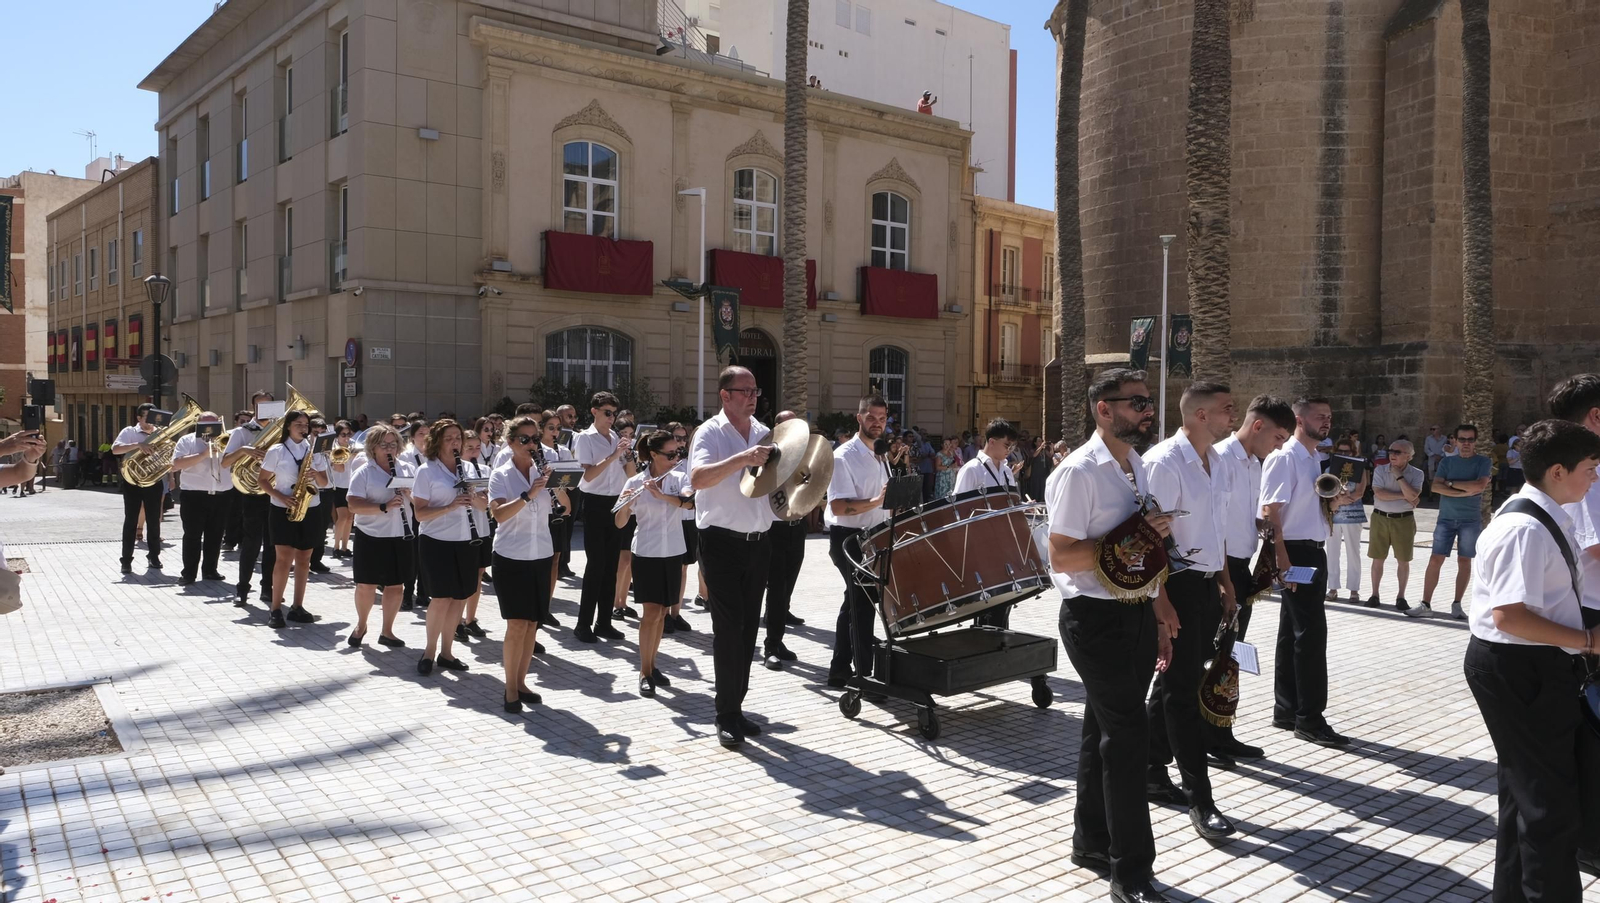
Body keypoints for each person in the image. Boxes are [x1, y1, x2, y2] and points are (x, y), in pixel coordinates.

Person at [1044, 368, 1179, 902]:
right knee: (1127, 738)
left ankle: (1091, 840)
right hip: (1094, 620)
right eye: (1137, 403)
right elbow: (1063, 553)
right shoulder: (1079, 472)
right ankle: (1131, 872)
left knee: (1100, 729)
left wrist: (1159, 606)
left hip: (1136, 611)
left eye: (1147, 403)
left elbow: (1143, 549)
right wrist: (1137, 536)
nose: (1147, 411)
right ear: (1104, 409)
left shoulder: (1136, 464)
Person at [1463, 419, 1600, 902]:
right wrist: (1586, 640)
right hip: (1519, 667)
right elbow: (1509, 617)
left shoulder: (1544, 514)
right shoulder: (1525, 527)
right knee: (1549, 804)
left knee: (1526, 795)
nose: (1595, 479)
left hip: (1529, 665)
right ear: (1558, 471)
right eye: (1590, 468)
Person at [1142, 381, 1240, 840]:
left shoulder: (1215, 461)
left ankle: (1148, 765)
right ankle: (1201, 799)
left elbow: (1215, 528)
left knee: (1177, 683)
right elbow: (1153, 537)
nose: (1232, 416)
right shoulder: (1165, 461)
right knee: (1182, 694)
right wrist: (1160, 599)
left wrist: (1225, 583)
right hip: (1174, 585)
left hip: (1204, 584)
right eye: (1226, 410)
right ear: (1200, 415)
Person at [1261, 395, 1358, 747]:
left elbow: (1308, 505)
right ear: (1300, 421)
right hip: (1297, 551)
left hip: (1312, 548)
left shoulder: (1316, 459)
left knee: (1293, 633)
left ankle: (1286, 710)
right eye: (1320, 416)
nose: (1327, 421)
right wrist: (1281, 557)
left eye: (1330, 416)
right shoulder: (1284, 457)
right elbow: (1270, 510)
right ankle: (1310, 719)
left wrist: (1336, 502)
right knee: (1311, 636)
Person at [688, 366, 776, 749]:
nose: (752, 396)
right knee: (728, 628)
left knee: (748, 630)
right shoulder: (709, 432)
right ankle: (725, 715)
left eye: (755, 390)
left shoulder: (762, 431)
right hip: (720, 541)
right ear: (725, 395)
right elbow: (698, 479)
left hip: (759, 541)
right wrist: (743, 458)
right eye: (745, 390)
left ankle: (737, 707)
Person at [1209, 394, 1294, 764]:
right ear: (1258, 425)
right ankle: (1198, 733)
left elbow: (1239, 516)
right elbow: (1214, 526)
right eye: (1278, 437)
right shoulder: (1220, 460)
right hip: (1219, 569)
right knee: (1210, 654)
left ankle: (1219, 729)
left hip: (1240, 566)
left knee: (1230, 653)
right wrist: (1225, 581)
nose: (1279, 447)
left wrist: (1260, 526)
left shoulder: (1255, 465)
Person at [1547, 373, 1600, 877]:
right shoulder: (1589, 473)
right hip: (1593, 615)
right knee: (1593, 732)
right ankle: (1592, 843)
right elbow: (1595, 546)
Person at [488, 414, 568, 712]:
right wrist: (529, 493)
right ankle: (509, 688)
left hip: (540, 554)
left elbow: (567, 509)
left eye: (535, 439)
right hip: (511, 555)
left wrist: (554, 484)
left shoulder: (542, 471)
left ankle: (521, 682)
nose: (532, 444)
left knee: (533, 624)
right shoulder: (501, 474)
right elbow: (498, 514)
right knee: (517, 625)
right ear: (511, 442)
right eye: (525, 439)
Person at [615, 429, 693, 696]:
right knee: (651, 613)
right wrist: (627, 504)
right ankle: (645, 671)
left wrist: (662, 496)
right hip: (646, 552)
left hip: (672, 551)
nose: (675, 458)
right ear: (653, 455)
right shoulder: (635, 481)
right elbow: (620, 522)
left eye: (678, 453)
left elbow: (689, 503)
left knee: (661, 613)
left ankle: (652, 663)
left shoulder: (680, 477)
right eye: (670, 454)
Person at [824, 395, 891, 689]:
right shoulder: (842, 456)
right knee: (862, 604)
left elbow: (884, 501)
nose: (877, 423)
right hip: (849, 540)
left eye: (882, 418)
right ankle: (864, 674)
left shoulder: (881, 453)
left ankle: (839, 669)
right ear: (859, 417)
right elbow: (839, 507)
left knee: (854, 603)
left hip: (876, 536)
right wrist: (878, 500)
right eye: (871, 417)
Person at [410, 420, 483, 675]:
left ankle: (447, 652)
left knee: (459, 598)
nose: (455, 442)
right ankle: (429, 652)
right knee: (441, 598)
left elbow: (485, 507)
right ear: (437, 442)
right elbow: (419, 514)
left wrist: (475, 497)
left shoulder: (470, 470)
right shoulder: (426, 471)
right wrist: (451, 506)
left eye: (458, 438)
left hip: (466, 540)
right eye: (449, 438)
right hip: (436, 541)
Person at [259, 411, 331, 628]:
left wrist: (315, 475)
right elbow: (262, 481)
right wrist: (281, 497)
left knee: (304, 558)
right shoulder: (277, 450)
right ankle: (275, 609)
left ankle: (297, 606)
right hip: (283, 509)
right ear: (288, 426)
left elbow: (325, 483)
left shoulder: (314, 450)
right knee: (283, 559)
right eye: (298, 424)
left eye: (306, 424)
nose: (303, 427)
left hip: (311, 508)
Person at [345, 424, 413, 649]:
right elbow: (353, 504)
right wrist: (382, 506)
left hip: (400, 533)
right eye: (384, 445)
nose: (389, 449)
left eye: (393, 444)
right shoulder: (364, 471)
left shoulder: (407, 468)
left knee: (396, 586)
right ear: (373, 448)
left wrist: (409, 494)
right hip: (371, 535)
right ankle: (361, 624)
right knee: (366, 585)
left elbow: (421, 501)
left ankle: (387, 631)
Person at [1419, 424, 1493, 620]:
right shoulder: (1446, 463)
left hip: (1470, 520)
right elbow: (1435, 486)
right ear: (1455, 441)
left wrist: (1450, 484)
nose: (1466, 443)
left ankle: (1457, 605)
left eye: (1470, 439)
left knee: (1464, 560)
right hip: (1446, 518)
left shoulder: (1483, 462)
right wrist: (1463, 491)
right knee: (1435, 559)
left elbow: (1479, 485)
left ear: (1475, 441)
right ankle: (1425, 604)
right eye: (1462, 439)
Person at [574, 392, 631, 643]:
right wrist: (613, 456)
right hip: (595, 503)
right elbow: (587, 477)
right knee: (595, 565)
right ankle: (582, 623)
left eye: (614, 413)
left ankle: (604, 622)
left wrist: (629, 456)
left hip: (616, 502)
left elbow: (629, 474)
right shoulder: (585, 438)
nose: (611, 418)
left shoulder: (616, 438)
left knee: (612, 566)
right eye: (607, 412)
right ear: (594, 411)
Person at [759, 411, 808, 671]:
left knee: (787, 587)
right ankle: (770, 647)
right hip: (774, 529)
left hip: (796, 527)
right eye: (785, 423)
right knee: (776, 588)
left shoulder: (801, 455)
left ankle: (777, 641)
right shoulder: (769, 455)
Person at [223, 392, 278, 604]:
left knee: (272, 544)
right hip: (250, 493)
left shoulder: (280, 431)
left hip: (274, 491)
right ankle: (243, 589)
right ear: (253, 407)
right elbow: (225, 462)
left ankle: (268, 589)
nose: (265, 409)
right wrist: (246, 450)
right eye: (260, 405)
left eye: (269, 405)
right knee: (251, 543)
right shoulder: (242, 432)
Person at [168, 410, 231, 585]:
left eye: (214, 425)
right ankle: (188, 573)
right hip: (194, 496)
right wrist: (203, 454)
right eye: (206, 425)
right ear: (198, 426)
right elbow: (175, 464)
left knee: (216, 535)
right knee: (192, 535)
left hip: (221, 495)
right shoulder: (187, 441)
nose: (210, 429)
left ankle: (210, 570)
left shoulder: (227, 440)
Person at [1367, 439, 1424, 611]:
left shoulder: (1417, 474)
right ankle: (1374, 594)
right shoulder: (1380, 470)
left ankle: (1401, 597)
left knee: (1403, 560)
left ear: (1408, 456)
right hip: (1380, 518)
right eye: (1391, 451)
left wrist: (1398, 476)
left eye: (1397, 452)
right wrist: (1404, 496)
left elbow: (1414, 495)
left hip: (1404, 520)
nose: (1392, 454)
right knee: (1378, 559)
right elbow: (1379, 494)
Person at [112, 403, 166, 574]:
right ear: (139, 418)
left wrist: (170, 477)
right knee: (131, 520)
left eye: (153, 418)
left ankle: (154, 556)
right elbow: (115, 449)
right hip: (133, 481)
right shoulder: (129, 432)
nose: (150, 422)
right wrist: (138, 445)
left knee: (154, 520)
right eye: (147, 418)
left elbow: (169, 455)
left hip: (154, 480)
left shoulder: (160, 433)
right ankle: (126, 560)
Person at [453, 430, 494, 642]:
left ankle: (470, 619)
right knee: (464, 577)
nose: (474, 452)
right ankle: (457, 621)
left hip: (482, 528)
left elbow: (485, 504)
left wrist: (475, 495)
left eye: (478, 447)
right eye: (469, 448)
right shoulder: (453, 470)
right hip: (461, 531)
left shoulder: (485, 470)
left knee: (478, 575)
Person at [537, 409, 575, 622]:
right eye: (550, 428)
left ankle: (547, 606)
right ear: (541, 429)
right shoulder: (537, 450)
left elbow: (569, 485)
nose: (555, 432)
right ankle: (539, 604)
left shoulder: (563, 451)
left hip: (559, 508)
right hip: (541, 510)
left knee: (555, 558)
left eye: (558, 428)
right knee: (542, 559)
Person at [1324, 436, 1370, 603]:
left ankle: (1354, 590)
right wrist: (1338, 500)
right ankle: (1332, 588)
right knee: (1332, 552)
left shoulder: (1360, 469)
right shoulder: (1329, 469)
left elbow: (1360, 492)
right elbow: (1325, 491)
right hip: (1334, 515)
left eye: (1347, 451)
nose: (1344, 453)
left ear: (1353, 452)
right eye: (1340, 451)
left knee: (1353, 552)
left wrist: (1345, 498)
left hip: (1353, 514)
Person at [610, 415, 642, 625]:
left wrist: (630, 455)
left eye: (631, 436)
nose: (628, 439)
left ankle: (622, 602)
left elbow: (632, 475)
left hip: (631, 505)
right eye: (624, 435)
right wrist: (621, 453)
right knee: (620, 560)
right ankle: (614, 603)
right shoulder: (613, 452)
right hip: (617, 502)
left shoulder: (632, 455)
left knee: (629, 558)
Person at [953, 419, 1019, 497]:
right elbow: (958, 505)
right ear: (992, 442)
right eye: (1007, 446)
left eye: (1012, 447)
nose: (1009, 450)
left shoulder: (1007, 471)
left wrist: (1025, 507)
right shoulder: (971, 469)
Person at [328, 421, 361, 559]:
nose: (346, 437)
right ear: (337, 435)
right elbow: (339, 469)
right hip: (339, 485)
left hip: (352, 484)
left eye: (348, 434)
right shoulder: (333, 447)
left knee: (349, 518)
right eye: (343, 435)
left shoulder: (354, 445)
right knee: (342, 517)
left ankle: (345, 547)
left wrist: (355, 453)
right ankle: (336, 546)